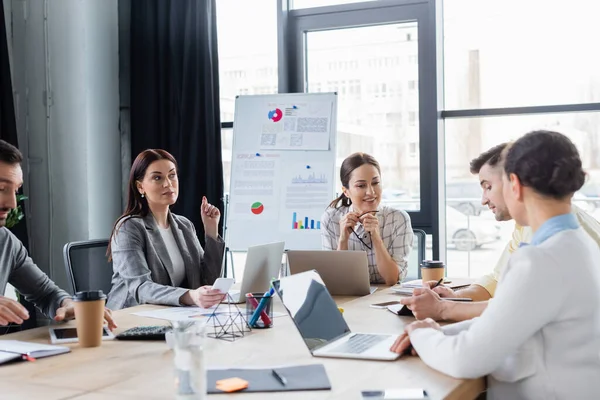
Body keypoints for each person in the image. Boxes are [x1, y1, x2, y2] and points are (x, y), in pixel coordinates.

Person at [391, 130, 600, 399]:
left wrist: (422, 335)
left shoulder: (540, 261)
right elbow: (502, 319)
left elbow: (465, 359)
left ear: (514, 184)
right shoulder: (580, 245)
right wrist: (436, 330)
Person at [401, 142, 600, 321]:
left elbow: (518, 308)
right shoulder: (527, 225)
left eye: (488, 187)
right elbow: (499, 279)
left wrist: (443, 309)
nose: (483, 200)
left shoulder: (557, 234)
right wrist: (455, 297)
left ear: (513, 183)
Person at [0, 140, 116, 329]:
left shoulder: (5, 242)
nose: (12, 204)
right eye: (1, 189)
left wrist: (69, 304)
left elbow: (46, 294)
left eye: (16, 190)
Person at [106, 149, 225, 310]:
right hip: (130, 316)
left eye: (172, 175)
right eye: (157, 177)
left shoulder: (184, 225)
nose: (168, 184)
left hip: (170, 314)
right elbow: (141, 288)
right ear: (140, 186)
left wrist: (211, 230)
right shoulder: (128, 228)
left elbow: (208, 281)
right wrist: (190, 296)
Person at [321, 152, 413, 285]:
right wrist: (343, 240)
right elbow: (335, 281)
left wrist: (376, 237)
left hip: (385, 299)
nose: (371, 192)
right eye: (361, 185)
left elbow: (392, 279)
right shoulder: (330, 218)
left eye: (375, 183)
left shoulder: (398, 219)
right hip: (348, 299)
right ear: (346, 191)